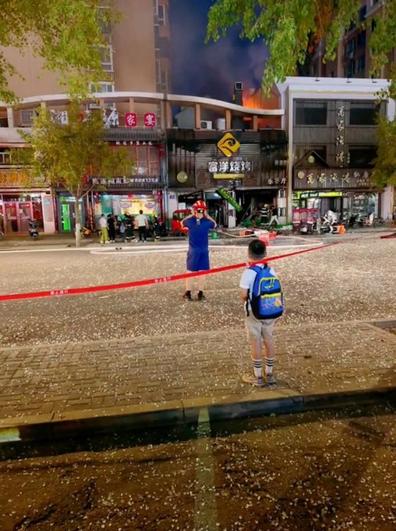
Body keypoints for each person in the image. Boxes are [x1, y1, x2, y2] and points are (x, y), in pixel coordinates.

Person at [239, 239, 282, 387]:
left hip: (254, 313)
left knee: (255, 342)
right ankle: (269, 374)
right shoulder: (270, 270)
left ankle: (257, 376)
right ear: (265, 254)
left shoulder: (248, 272)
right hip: (270, 311)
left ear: (248, 254)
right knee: (269, 339)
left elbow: (243, 295)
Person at [181, 200, 217, 301]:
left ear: (194, 210)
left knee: (190, 272)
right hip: (204, 251)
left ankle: (188, 293)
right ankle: (200, 293)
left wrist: (191, 215)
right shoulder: (207, 222)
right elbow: (215, 224)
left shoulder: (189, 221)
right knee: (202, 272)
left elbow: (181, 223)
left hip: (193, 251)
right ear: (204, 211)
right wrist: (207, 215)